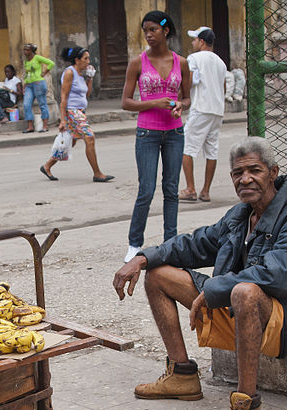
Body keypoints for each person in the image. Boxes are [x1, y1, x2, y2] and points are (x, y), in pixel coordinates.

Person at [113, 137, 287, 410]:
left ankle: (247, 409)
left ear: (273, 172)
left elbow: (277, 277)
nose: (246, 179)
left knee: (244, 291)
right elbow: (196, 244)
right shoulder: (240, 215)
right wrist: (142, 258)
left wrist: (214, 289)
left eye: (254, 170)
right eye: (238, 173)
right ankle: (182, 374)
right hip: (242, 307)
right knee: (158, 275)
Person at [121, 11, 191, 263]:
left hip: (174, 132)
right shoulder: (138, 63)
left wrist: (180, 106)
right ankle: (134, 242)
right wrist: (154, 102)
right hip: (147, 132)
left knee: (171, 189)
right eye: (146, 31)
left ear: (166, 31)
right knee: (146, 189)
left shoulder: (181, 62)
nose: (149, 35)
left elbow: (187, 98)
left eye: (153, 30)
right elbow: (126, 102)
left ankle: (170, 242)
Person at [40, 47, 114, 183]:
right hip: (72, 112)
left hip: (80, 112)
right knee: (89, 137)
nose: (88, 61)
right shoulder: (69, 73)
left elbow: (86, 94)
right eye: (85, 58)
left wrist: (90, 78)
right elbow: (63, 97)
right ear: (77, 60)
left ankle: (47, 166)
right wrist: (62, 120)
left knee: (70, 141)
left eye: (88, 58)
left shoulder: (80, 74)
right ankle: (97, 174)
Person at [179, 27, 227, 203]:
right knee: (211, 150)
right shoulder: (221, 62)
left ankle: (190, 188)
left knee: (187, 148)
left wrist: (180, 98)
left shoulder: (194, 58)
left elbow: (189, 81)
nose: (193, 43)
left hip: (200, 107)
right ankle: (205, 191)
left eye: (194, 40)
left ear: (201, 42)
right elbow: (223, 88)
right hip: (217, 110)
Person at [21, 43, 54, 133]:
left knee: (42, 104)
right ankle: (30, 126)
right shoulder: (26, 61)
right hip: (29, 85)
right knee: (26, 104)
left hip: (38, 83)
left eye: (27, 50)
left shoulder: (37, 58)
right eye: (24, 50)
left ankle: (45, 126)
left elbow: (51, 63)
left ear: (32, 51)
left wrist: (44, 73)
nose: (25, 51)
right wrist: (24, 85)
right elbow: (27, 74)